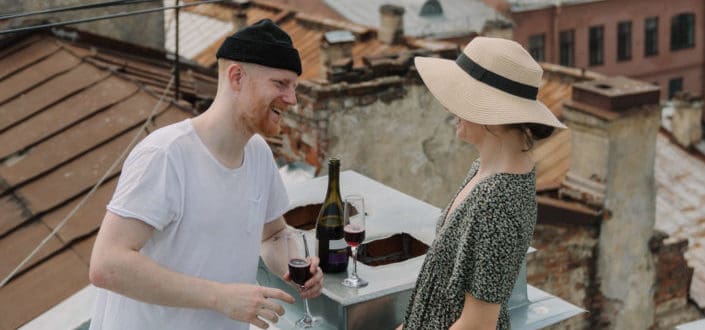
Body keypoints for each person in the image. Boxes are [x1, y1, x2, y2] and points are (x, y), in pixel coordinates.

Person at [88, 19, 323, 330]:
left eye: (294, 87)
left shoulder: (258, 154)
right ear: (237, 77)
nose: (292, 99)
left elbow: (274, 234)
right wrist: (220, 297)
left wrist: (296, 266)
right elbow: (107, 265)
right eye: (280, 84)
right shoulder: (166, 155)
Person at [399, 37, 567, 330]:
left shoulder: (497, 203)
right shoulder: (486, 168)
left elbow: (478, 324)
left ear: (492, 114)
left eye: (461, 98)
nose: (452, 110)